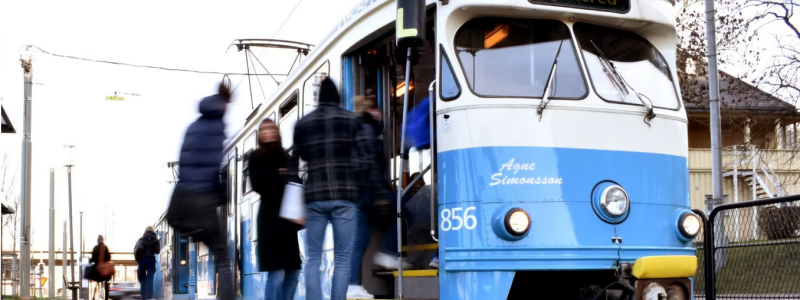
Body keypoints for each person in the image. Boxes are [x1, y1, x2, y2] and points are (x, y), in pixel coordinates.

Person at [288, 77, 379, 300]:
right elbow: (367, 160)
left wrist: (297, 192)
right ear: (338, 97)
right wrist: (357, 187)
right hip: (345, 197)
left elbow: (296, 161)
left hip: (315, 198)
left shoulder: (303, 123)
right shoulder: (351, 120)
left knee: (313, 259)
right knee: (343, 258)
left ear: (319, 98)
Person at [168, 82, 234, 300]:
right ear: (224, 104)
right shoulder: (218, 127)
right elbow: (214, 166)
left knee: (180, 223)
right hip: (203, 199)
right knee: (223, 257)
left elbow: (185, 162)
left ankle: (192, 232)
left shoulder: (193, 126)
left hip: (184, 195)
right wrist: (221, 191)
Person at [249, 118, 302, 300]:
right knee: (277, 273)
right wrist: (281, 178)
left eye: (271, 129)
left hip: (288, 220)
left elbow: (296, 182)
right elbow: (258, 185)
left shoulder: (286, 157)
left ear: (276, 132)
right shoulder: (255, 157)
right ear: (260, 135)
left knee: (293, 273)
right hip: (269, 220)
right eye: (264, 130)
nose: (268, 133)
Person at [347, 96, 391, 299]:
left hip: (357, 194)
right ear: (372, 110)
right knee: (401, 213)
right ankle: (387, 253)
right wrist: (382, 190)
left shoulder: (354, 129)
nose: (380, 114)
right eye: (378, 110)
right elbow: (371, 163)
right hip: (368, 191)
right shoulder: (368, 130)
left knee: (359, 241)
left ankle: (352, 285)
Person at [134, 226, 160, 300]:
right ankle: (149, 296)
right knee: (150, 279)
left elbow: (137, 249)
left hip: (142, 260)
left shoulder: (141, 239)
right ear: (152, 231)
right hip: (150, 260)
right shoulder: (155, 240)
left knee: (142, 279)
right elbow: (158, 251)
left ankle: (143, 297)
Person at [90, 235, 112, 300]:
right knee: (106, 281)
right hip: (105, 271)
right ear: (103, 240)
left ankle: (94, 297)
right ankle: (106, 297)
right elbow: (109, 258)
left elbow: (93, 259)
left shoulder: (95, 248)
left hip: (97, 271)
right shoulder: (106, 247)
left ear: (98, 240)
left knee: (96, 282)